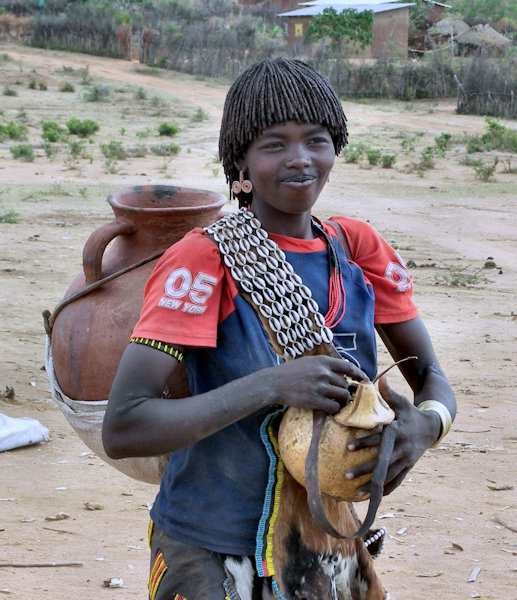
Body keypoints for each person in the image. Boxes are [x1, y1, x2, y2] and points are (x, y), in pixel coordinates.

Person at [102, 58, 456, 600]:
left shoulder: (356, 248)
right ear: (240, 161)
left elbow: (429, 373)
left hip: (326, 543)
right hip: (212, 549)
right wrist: (272, 385)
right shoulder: (203, 261)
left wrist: (425, 426)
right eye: (274, 144)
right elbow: (124, 426)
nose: (300, 160)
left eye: (316, 140)